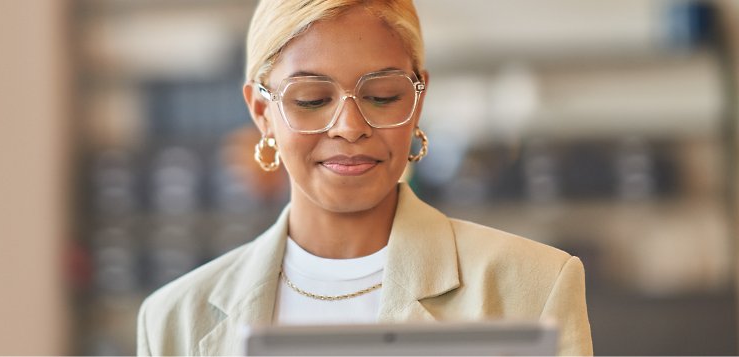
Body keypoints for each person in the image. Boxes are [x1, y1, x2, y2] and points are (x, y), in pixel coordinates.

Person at [137, 0, 593, 355]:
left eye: (382, 95)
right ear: (262, 113)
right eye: (312, 99)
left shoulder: (534, 285)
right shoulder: (174, 319)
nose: (350, 127)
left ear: (417, 100)